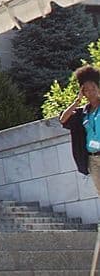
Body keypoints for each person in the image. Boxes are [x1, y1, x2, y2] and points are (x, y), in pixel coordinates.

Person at [59, 64, 100, 193]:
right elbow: (63, 119)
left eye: (93, 88)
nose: (91, 92)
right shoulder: (82, 113)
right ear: (82, 91)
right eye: (86, 90)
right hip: (92, 159)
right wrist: (77, 100)